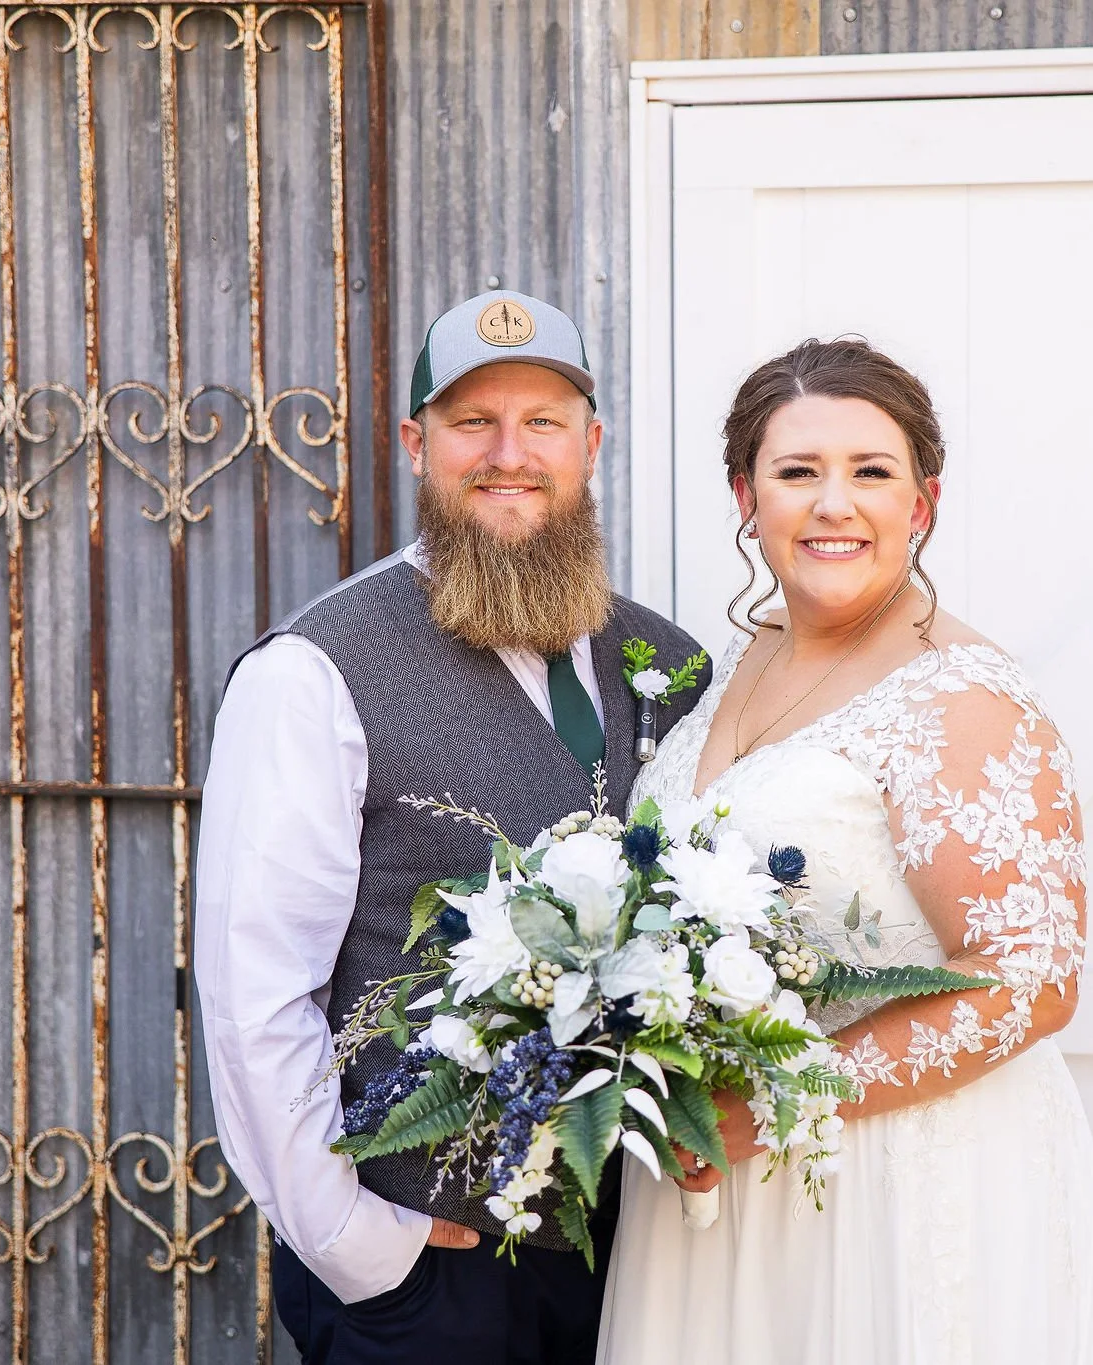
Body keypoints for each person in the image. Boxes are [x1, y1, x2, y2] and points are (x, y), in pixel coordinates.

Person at [597, 338, 1093, 1364]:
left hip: (893, 1181)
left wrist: (769, 1103)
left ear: (922, 502)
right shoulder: (733, 662)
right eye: (796, 472)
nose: (832, 505)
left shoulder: (961, 697)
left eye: (869, 472)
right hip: (720, 1185)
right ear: (744, 495)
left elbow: (1026, 981)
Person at [195, 290, 710, 1365]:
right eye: (473, 421)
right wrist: (357, 1246)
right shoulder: (313, 672)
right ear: (415, 442)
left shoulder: (666, 662)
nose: (508, 454)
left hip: (642, 1261)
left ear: (591, 444)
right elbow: (255, 994)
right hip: (429, 1271)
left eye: (543, 422)